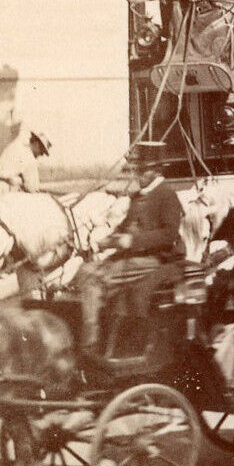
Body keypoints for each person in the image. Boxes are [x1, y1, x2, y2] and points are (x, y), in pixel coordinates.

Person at [75, 149, 185, 355]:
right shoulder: (137, 196)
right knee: (85, 271)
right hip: (131, 256)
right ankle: (106, 333)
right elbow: (124, 227)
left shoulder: (168, 195)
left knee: (95, 278)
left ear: (155, 171)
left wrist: (133, 240)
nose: (138, 175)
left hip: (154, 259)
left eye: (142, 171)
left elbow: (169, 234)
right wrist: (103, 243)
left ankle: (91, 343)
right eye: (137, 170)